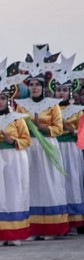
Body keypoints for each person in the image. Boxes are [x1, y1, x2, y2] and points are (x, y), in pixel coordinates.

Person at [16, 45, 69, 238]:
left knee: (50, 184)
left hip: (48, 145)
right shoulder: (22, 106)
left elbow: (58, 128)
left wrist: (42, 127)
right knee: (32, 185)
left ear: (43, 87)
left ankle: (53, 228)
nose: (34, 88)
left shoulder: (52, 105)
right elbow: (19, 126)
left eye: (37, 85)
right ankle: (34, 228)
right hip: (30, 147)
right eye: (31, 85)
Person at [0, 60, 32, 246]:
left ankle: (14, 233)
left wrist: (12, 140)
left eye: (2, 98)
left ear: (9, 100)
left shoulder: (17, 118)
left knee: (14, 191)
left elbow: (27, 140)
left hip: (14, 157)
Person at [53, 55, 84, 233]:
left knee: (73, 181)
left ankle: (76, 221)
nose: (61, 93)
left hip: (71, 148)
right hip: (56, 147)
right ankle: (60, 220)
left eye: (64, 90)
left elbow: (81, 133)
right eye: (58, 90)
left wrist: (68, 128)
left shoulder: (78, 111)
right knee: (59, 182)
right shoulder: (51, 108)